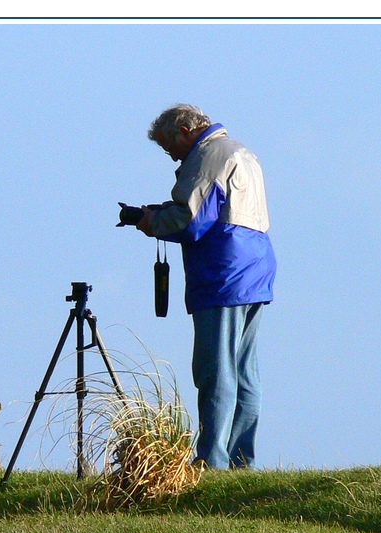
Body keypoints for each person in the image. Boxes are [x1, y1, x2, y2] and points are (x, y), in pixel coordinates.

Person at [118, 104, 276, 469]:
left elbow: (190, 220)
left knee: (214, 370)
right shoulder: (242, 152)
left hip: (222, 274)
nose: (169, 154)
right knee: (245, 372)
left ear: (186, 131)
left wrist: (149, 220)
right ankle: (239, 461)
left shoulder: (207, 157)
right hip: (255, 270)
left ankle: (212, 461)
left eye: (168, 145)